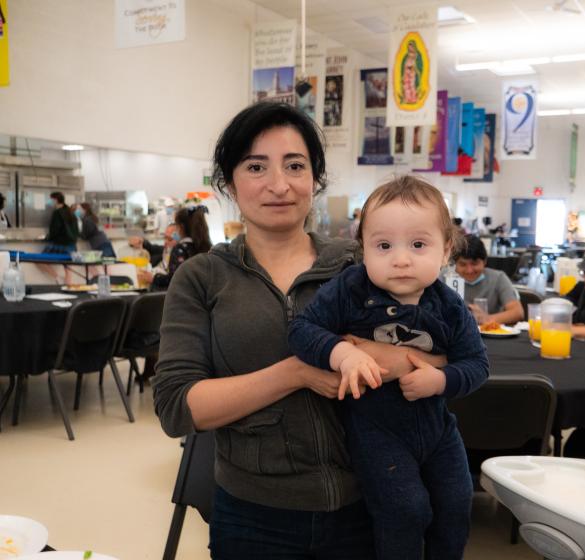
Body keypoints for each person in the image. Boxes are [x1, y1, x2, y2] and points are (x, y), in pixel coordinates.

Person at [154, 102, 437, 559]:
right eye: (256, 166)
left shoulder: (361, 263)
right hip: (252, 514)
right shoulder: (202, 277)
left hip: (371, 499)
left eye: (295, 165)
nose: (279, 184)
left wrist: (368, 358)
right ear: (229, 182)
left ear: (315, 179)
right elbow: (179, 407)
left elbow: (437, 348)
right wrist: (297, 372)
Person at [288, 176, 489, 560]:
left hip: (438, 430)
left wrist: (441, 380)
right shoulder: (350, 289)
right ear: (362, 248)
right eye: (383, 245)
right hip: (375, 431)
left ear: (446, 249)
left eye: (418, 244)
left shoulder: (448, 306)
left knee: (456, 504)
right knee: (406, 510)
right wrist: (341, 354)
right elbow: (300, 329)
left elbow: (478, 365)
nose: (400, 259)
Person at [453, 234, 524, 325]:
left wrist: (486, 319)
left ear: (485, 261)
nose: (469, 270)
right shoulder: (445, 279)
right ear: (455, 264)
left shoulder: (498, 278)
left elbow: (517, 312)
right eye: (463, 264)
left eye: (474, 264)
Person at [137, 206, 211, 290]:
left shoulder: (180, 249)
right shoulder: (205, 247)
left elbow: (174, 280)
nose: (166, 242)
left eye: (170, 239)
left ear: (181, 227)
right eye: (165, 238)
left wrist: (154, 278)